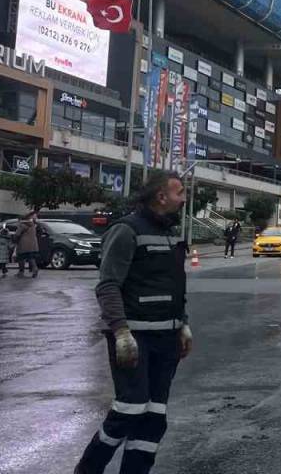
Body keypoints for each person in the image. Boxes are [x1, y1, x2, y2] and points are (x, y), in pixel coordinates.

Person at [75, 172, 191, 474]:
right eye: (179, 192)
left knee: (154, 417)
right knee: (129, 410)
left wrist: (184, 324)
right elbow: (108, 285)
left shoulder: (173, 233)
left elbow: (175, 284)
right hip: (135, 338)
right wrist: (121, 331)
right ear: (161, 197)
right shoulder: (126, 230)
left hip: (167, 339)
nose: (183, 198)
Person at [14, 211, 40, 278]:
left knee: (21, 258)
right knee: (31, 257)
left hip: (23, 244)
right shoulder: (33, 225)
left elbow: (17, 234)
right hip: (33, 244)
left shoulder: (22, 225)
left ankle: (21, 272)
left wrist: (14, 240)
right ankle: (35, 269)